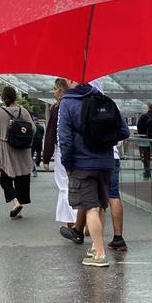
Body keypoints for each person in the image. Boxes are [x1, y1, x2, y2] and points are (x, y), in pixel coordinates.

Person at [58, 78, 129, 267]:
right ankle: (95, 247)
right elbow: (124, 132)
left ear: (72, 80)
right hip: (106, 163)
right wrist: (104, 140)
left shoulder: (68, 103)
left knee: (91, 208)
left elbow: (64, 139)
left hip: (82, 164)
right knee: (99, 206)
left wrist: (68, 164)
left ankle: (99, 254)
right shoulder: (104, 100)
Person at [0, 86, 37, 219]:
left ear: (3, 97)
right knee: (21, 178)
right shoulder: (23, 111)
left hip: (7, 148)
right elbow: (33, 129)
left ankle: (15, 203)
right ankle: (19, 208)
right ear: (15, 97)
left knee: (5, 179)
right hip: (23, 149)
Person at [44, 78, 84, 241]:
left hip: (63, 151)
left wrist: (46, 157)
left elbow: (51, 133)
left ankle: (72, 222)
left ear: (61, 90)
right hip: (80, 151)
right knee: (79, 186)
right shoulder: (79, 104)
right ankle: (82, 221)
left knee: (64, 186)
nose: (53, 92)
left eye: (55, 89)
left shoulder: (58, 107)